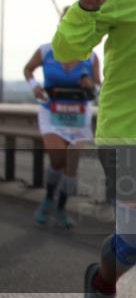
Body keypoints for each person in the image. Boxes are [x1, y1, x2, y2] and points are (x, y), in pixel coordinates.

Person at [60, 0, 136, 298]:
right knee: (134, 239)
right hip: (127, 134)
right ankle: (102, 284)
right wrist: (85, 9)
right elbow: (67, 50)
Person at [24, 23, 101, 229]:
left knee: (71, 167)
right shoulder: (46, 50)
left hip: (78, 116)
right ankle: (49, 197)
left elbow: (98, 89)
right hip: (52, 112)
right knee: (58, 158)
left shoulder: (91, 57)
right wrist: (35, 87)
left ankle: (61, 207)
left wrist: (90, 85)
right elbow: (28, 69)